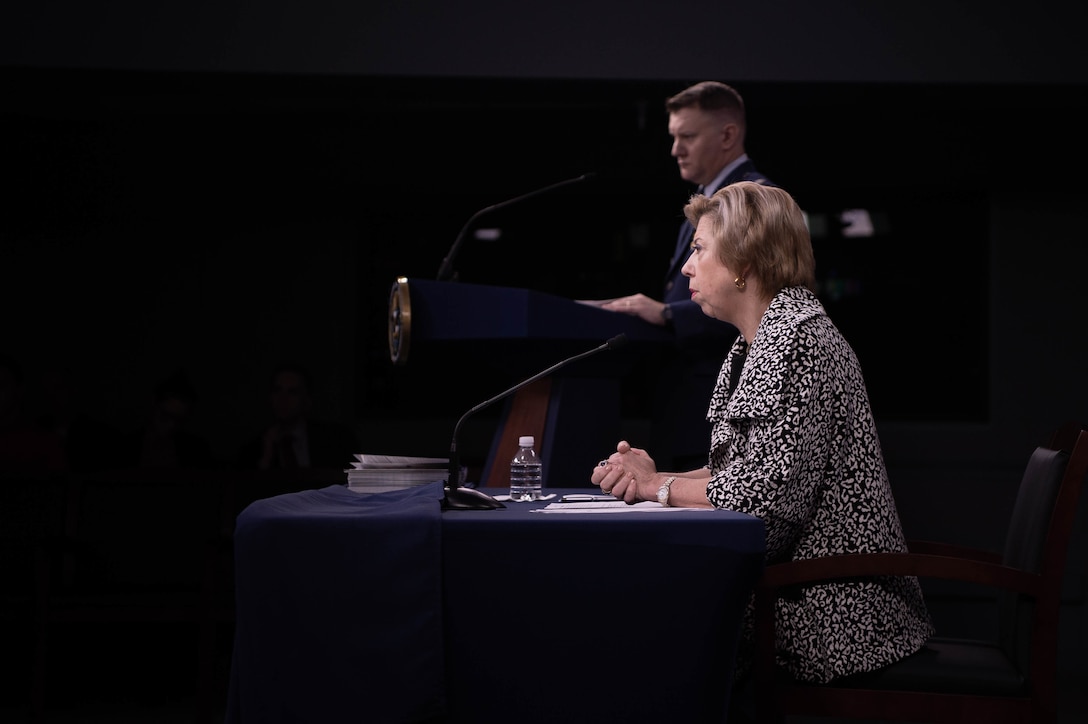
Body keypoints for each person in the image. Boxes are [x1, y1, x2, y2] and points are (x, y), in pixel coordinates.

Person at [589, 183, 932, 699]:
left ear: (744, 260)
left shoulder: (794, 340)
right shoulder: (759, 339)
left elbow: (762, 506)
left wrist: (656, 484)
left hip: (833, 611)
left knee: (641, 616)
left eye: (699, 248)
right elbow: (740, 473)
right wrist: (653, 476)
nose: (686, 267)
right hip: (796, 591)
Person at [581, 80, 777, 470]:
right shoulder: (711, 202)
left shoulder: (753, 200)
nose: (675, 150)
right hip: (686, 404)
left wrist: (668, 313)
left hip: (722, 404)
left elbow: (762, 297)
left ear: (727, 134)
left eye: (687, 136)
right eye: (673, 137)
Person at [239, 363, 359, 471]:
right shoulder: (255, 448)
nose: (283, 399)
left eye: (292, 392)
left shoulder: (335, 440)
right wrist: (266, 458)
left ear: (307, 400)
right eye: (277, 390)